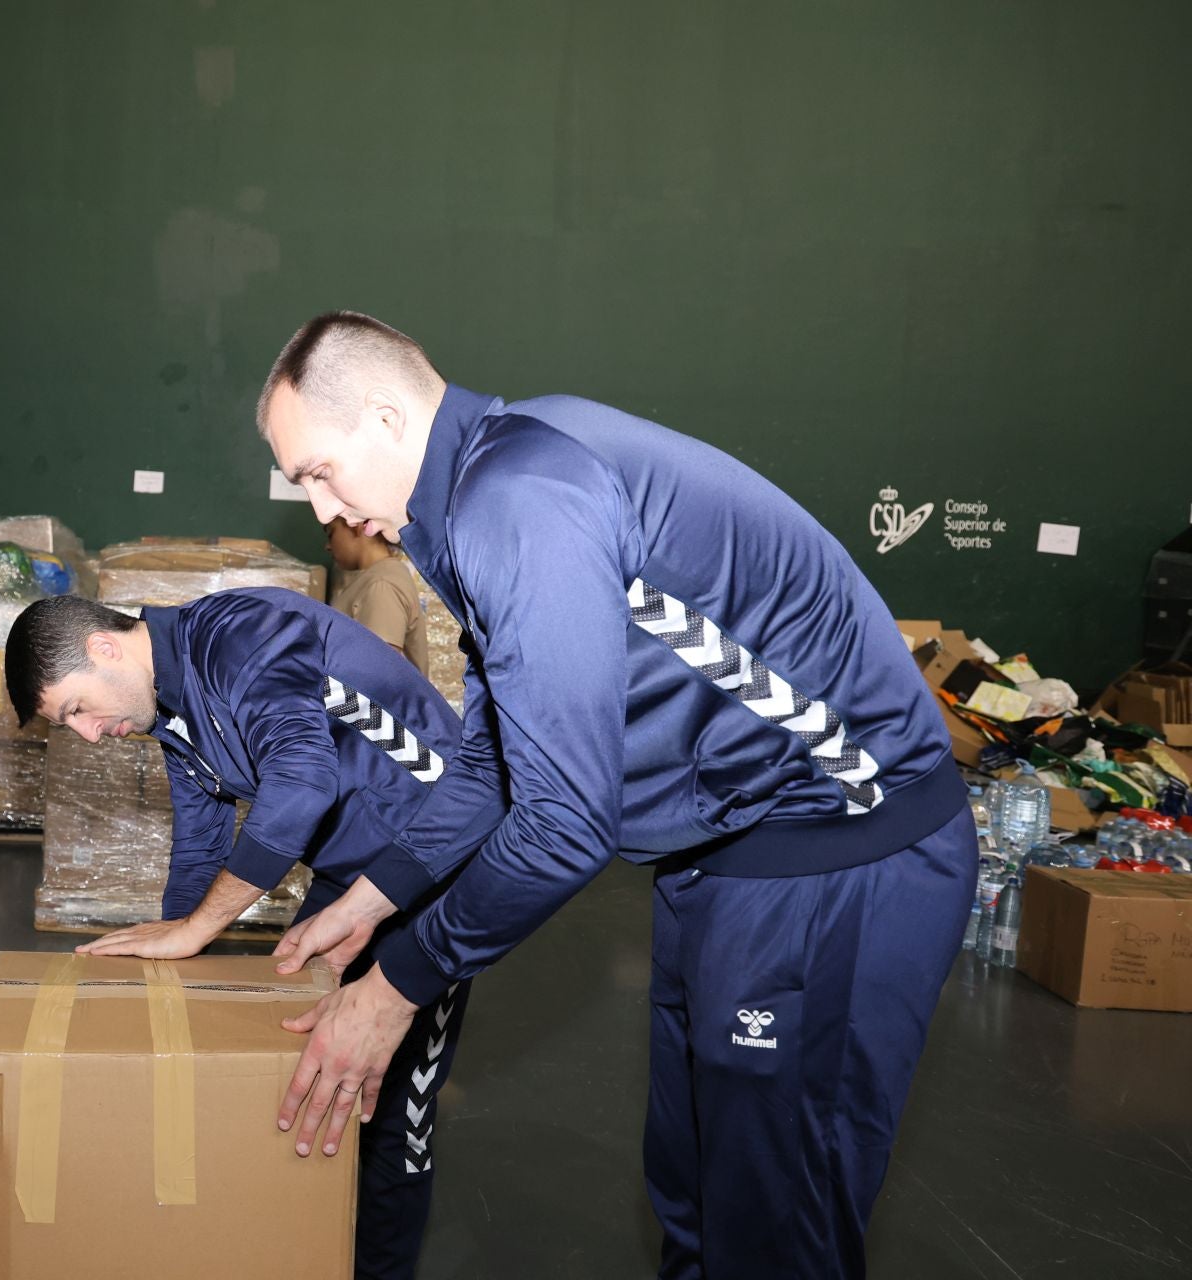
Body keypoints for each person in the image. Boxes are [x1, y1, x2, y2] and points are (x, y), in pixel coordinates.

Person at [254, 312, 978, 1280]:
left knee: (770, 1232)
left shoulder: (519, 501)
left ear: (386, 419)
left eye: (317, 471)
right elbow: (497, 755)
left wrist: (395, 987)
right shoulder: (479, 489)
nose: (321, 511)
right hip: (727, 848)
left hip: (839, 849)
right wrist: (374, 895)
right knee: (694, 1196)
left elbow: (565, 821)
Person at [4, 590, 499, 1280]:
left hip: (436, 853)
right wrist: (176, 944)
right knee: (295, 1045)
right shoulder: (166, 705)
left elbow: (301, 783)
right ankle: (307, 1241)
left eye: (76, 711)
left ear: (104, 648)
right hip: (348, 868)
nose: (87, 733)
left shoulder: (242, 636)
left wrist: (201, 926)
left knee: (391, 1107)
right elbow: (201, 835)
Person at [326, 516, 426, 673]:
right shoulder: (378, 577)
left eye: (330, 532)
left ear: (356, 525)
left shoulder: (381, 584)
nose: (328, 546)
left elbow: (380, 676)